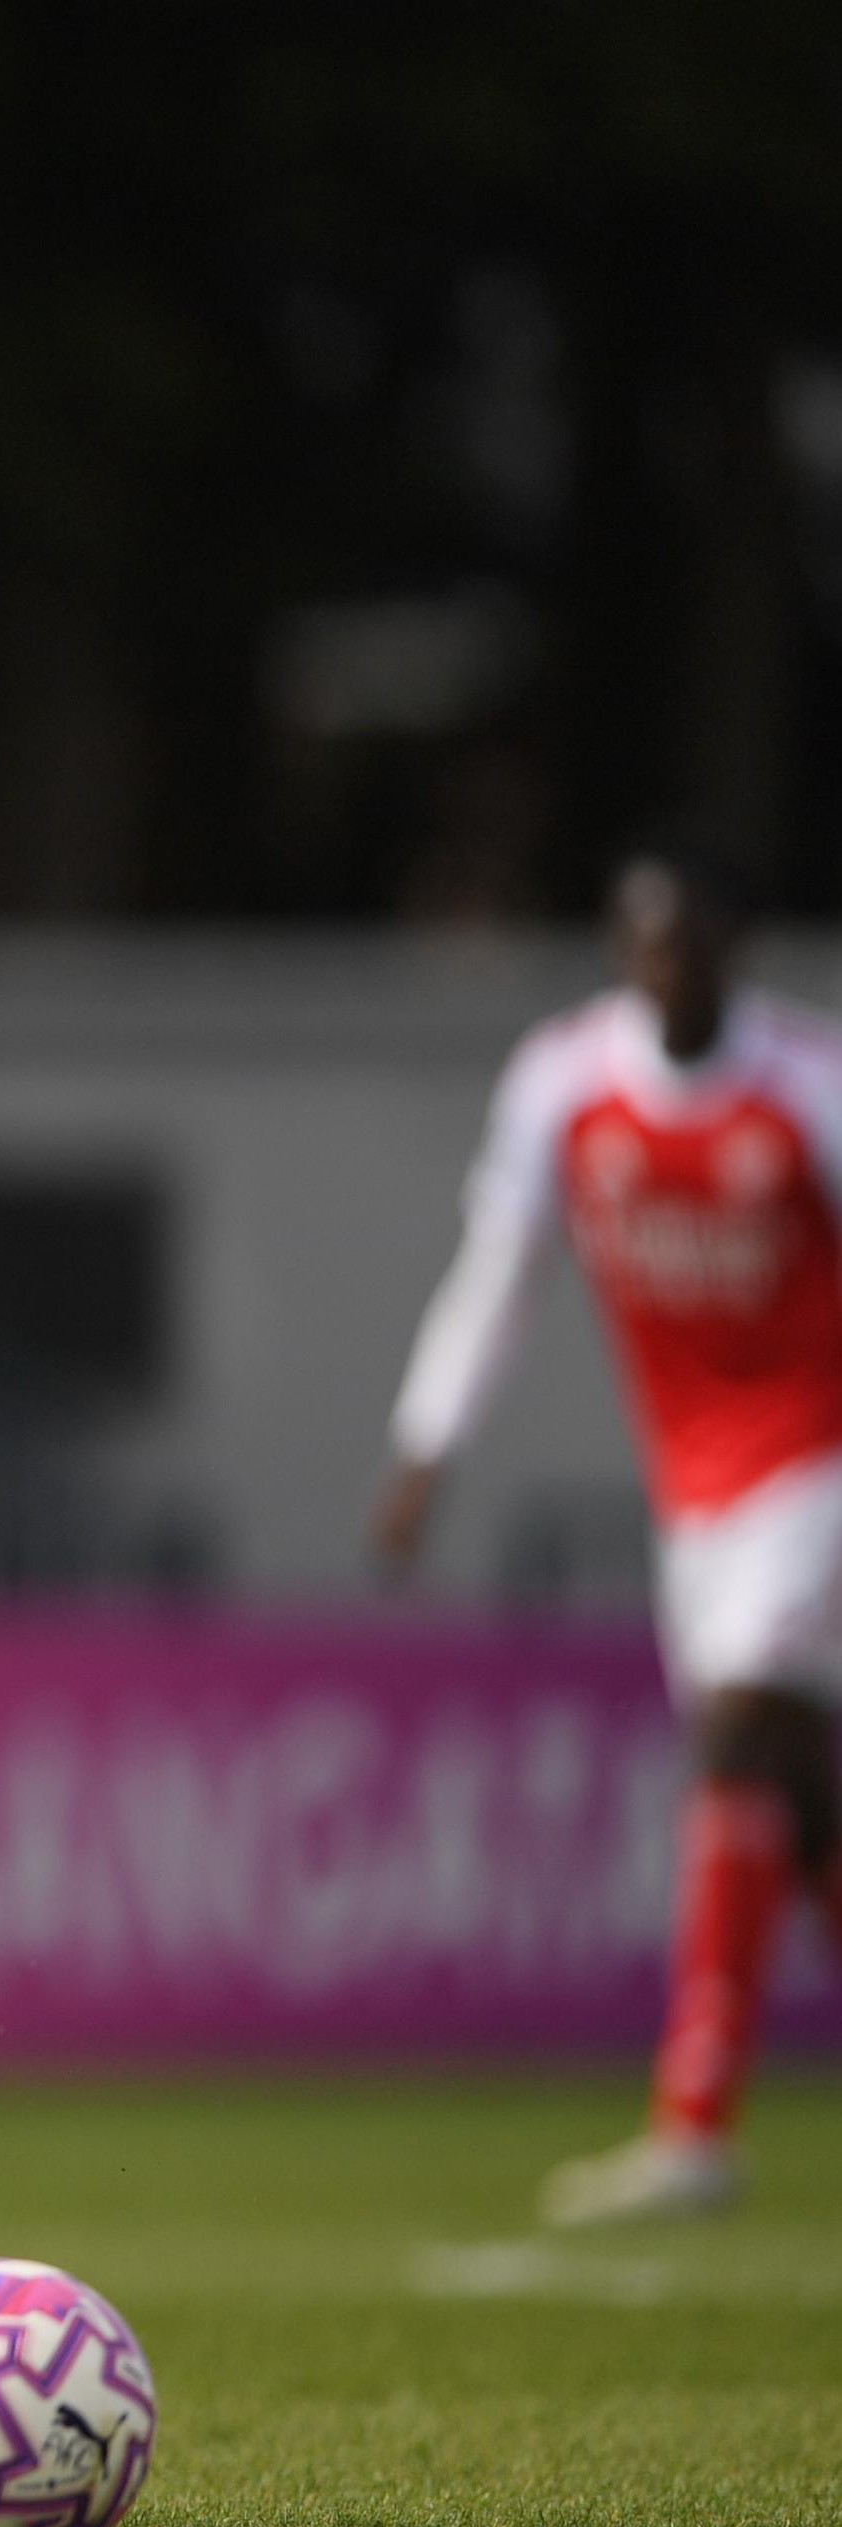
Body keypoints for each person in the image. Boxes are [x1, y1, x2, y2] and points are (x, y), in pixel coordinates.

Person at [378, 843, 842, 2228]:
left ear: (733, 945)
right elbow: (498, 1270)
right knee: (799, 1789)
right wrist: (426, 1441)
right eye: (641, 943)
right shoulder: (565, 1083)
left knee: (738, 1726)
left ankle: (693, 2119)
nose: (665, 967)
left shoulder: (809, 1084)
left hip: (821, 1459)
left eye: (688, 941)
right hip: (693, 1491)